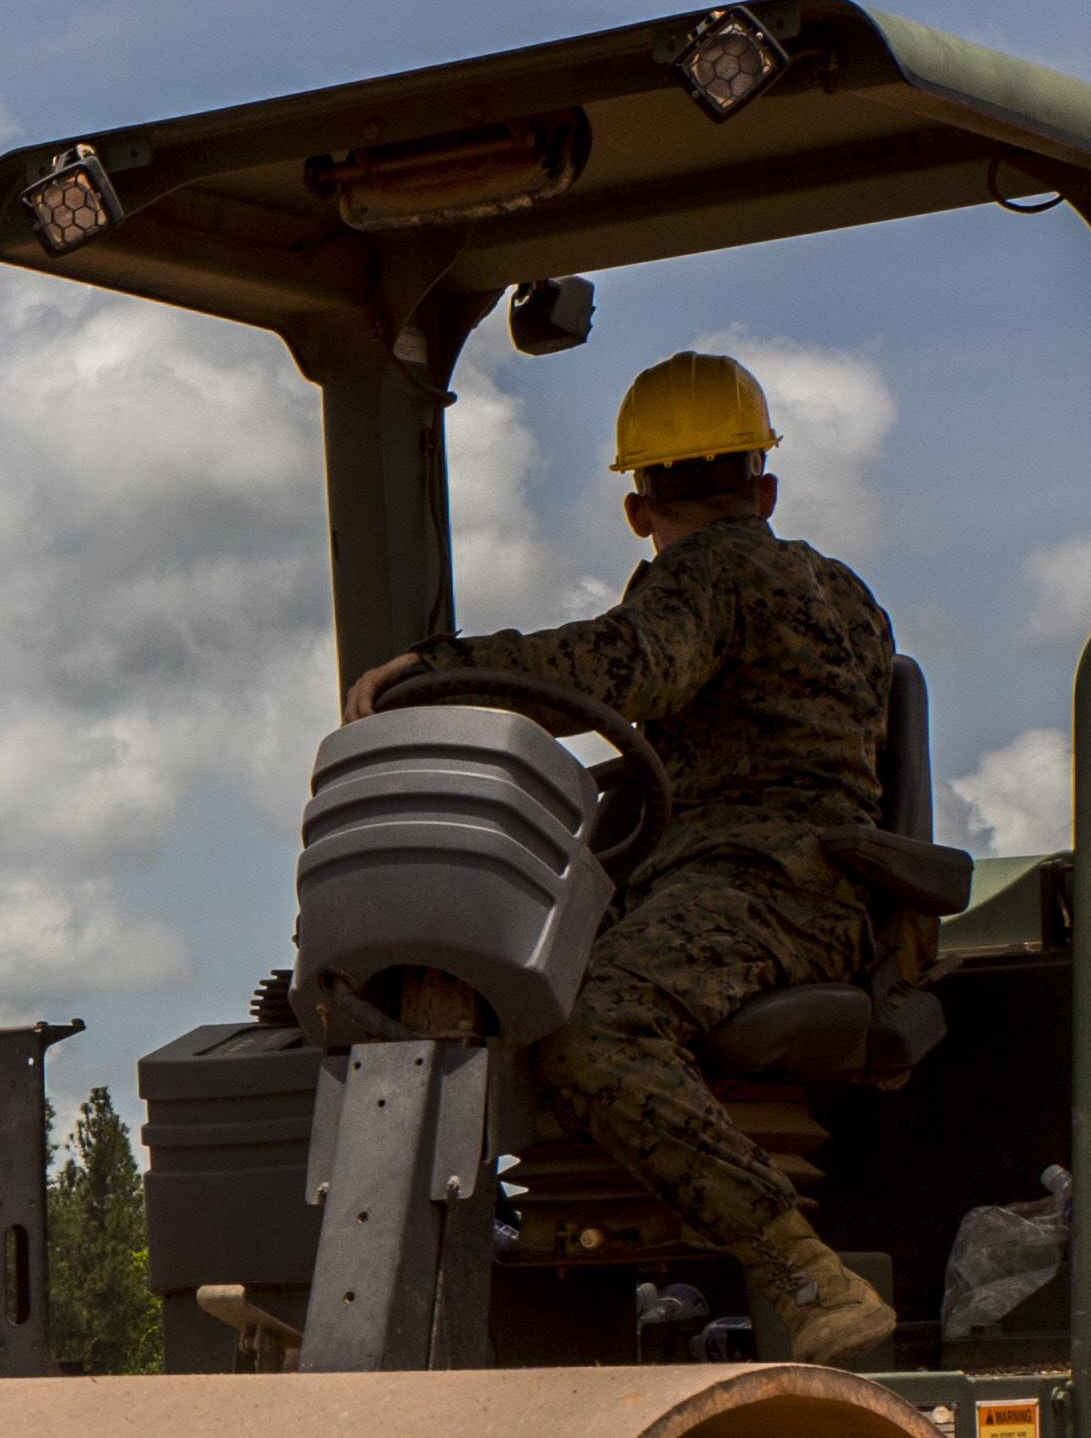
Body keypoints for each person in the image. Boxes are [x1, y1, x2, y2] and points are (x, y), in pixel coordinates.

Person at [349, 350, 907, 1366]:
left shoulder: (711, 574)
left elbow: (632, 666)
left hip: (760, 889)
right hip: (804, 888)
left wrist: (444, 672)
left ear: (638, 509)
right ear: (764, 484)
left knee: (592, 1023)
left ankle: (796, 1266)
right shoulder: (846, 594)